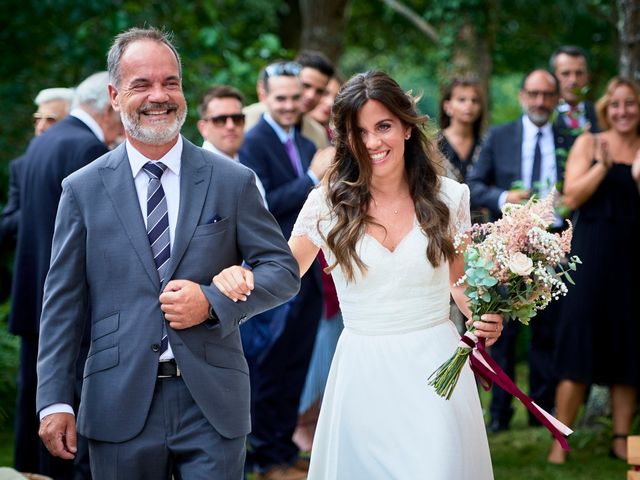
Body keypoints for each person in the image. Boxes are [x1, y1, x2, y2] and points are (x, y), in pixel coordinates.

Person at [36, 27, 299, 480]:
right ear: (116, 96)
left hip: (213, 403)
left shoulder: (231, 180)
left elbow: (282, 270)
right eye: (142, 84)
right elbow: (62, 304)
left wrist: (212, 303)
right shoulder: (81, 190)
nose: (159, 96)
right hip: (116, 403)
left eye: (170, 82)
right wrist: (55, 399)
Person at [213, 70, 504, 479]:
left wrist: (484, 316)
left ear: (406, 126)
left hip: (435, 365)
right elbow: (283, 271)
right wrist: (239, 279)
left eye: (383, 126)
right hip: (363, 370)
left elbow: (460, 283)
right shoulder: (326, 204)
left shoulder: (449, 197)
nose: (371, 142)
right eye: (357, 131)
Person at [10, 72, 121, 479]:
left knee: (39, 399)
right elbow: (98, 233)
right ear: (111, 107)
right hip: (69, 299)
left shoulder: (44, 143)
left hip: (34, 292)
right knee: (69, 408)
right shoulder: (87, 147)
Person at [238, 61, 329, 480]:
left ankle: (284, 447)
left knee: (295, 365)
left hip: (308, 275)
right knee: (270, 369)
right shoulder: (253, 144)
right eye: (282, 98)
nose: (292, 105)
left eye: (296, 97)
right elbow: (261, 207)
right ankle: (265, 458)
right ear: (263, 94)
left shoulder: (308, 142)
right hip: (271, 270)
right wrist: (312, 176)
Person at [466, 69, 569, 432]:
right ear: (523, 95)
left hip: (557, 243)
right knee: (503, 333)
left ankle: (542, 411)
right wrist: (503, 198)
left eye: (547, 95)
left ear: (556, 99)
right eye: (534, 94)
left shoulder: (569, 138)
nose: (540, 101)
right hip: (509, 245)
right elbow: (474, 184)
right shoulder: (500, 135)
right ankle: (500, 415)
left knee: (549, 332)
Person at [547, 77, 640, 464]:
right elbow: (570, 199)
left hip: (634, 259)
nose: (622, 111)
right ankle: (559, 441)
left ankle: (622, 440)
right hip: (591, 256)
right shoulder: (590, 141)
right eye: (615, 104)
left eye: (630, 104)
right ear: (606, 107)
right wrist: (603, 167)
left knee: (630, 350)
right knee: (577, 344)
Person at [293, 75, 343, 452]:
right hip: (314, 261)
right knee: (317, 350)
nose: (323, 99)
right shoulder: (312, 146)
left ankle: (315, 419)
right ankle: (302, 422)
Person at [1, 87, 75, 244]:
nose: (41, 127)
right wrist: (40, 202)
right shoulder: (21, 166)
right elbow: (6, 225)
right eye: (37, 119)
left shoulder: (85, 157)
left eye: (51, 119)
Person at [244, 51, 335, 149]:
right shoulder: (246, 119)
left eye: (319, 91)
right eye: (306, 85)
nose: (311, 95)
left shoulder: (318, 134)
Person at [196, 84, 266, 202]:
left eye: (237, 118)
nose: (230, 126)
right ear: (203, 128)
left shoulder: (248, 167)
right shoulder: (196, 174)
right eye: (220, 120)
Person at [550, 45, 600, 145]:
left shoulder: (600, 115)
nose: (573, 80)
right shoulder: (546, 117)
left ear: (587, 77)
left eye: (579, 73)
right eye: (565, 73)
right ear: (553, 77)